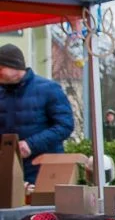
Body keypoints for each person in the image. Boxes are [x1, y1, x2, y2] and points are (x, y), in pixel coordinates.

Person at [0, 44, 74, 184]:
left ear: (14, 66)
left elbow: (65, 126)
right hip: (8, 174)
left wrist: (31, 145)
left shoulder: (49, 89)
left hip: (44, 172)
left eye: (0, 68)